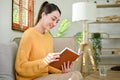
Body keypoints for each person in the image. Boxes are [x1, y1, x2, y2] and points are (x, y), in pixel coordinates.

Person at [15, 1, 83, 80]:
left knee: (76, 74)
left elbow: (49, 66)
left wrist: (62, 71)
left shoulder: (48, 37)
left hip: (45, 76)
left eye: (57, 22)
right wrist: (44, 61)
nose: (54, 24)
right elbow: (20, 67)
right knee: (74, 76)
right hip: (30, 78)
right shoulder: (29, 34)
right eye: (53, 19)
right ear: (43, 15)